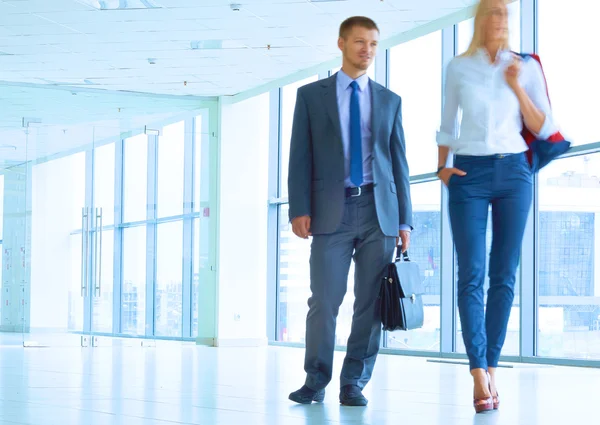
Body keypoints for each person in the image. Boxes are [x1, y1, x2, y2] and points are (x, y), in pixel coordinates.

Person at [436, 0, 558, 414]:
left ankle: (491, 366)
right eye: (493, 11)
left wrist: (517, 86)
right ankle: (477, 372)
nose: (500, 19)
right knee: (471, 274)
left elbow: (544, 126)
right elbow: (448, 122)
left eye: (506, 13)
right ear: (480, 19)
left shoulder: (525, 65)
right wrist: (441, 168)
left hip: (514, 174)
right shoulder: (457, 66)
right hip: (468, 174)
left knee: (503, 275)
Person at [287, 16, 413, 406]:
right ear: (341, 43)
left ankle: (353, 381)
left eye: (374, 44)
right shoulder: (312, 96)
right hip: (330, 211)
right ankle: (315, 380)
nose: (367, 50)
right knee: (324, 300)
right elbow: (299, 156)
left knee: (370, 303)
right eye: (360, 42)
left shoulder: (390, 100)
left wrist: (404, 219)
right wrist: (298, 207)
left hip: (380, 211)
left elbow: (399, 163)